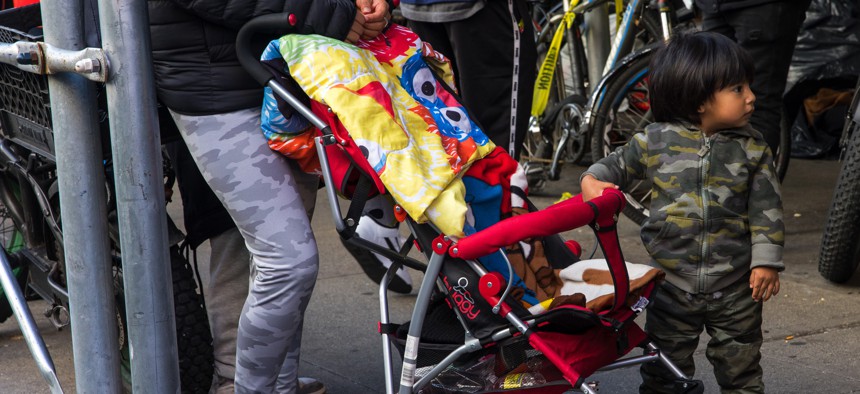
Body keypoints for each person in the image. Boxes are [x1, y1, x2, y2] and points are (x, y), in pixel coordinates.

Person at [146, 0, 391, 393]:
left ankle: (279, 383)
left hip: (285, 72)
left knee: (282, 260)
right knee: (288, 261)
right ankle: (243, 384)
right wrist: (329, 11)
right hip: (217, 87)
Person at [579, 32, 784, 393]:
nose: (751, 97)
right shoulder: (655, 140)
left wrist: (765, 261)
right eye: (738, 89)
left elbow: (766, 208)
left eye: (748, 87)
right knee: (664, 366)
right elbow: (611, 167)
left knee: (742, 367)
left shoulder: (753, 149)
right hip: (672, 285)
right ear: (699, 98)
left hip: (736, 287)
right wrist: (592, 181)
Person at [342, 0, 537, 293]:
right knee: (494, 162)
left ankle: (453, 275)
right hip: (480, 11)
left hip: (418, 10)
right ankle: (493, 286)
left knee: (436, 142)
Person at [694, 0, 811, 158]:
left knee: (755, 104)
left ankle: (751, 179)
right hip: (715, 6)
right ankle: (719, 176)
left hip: (761, 8)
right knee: (711, 100)